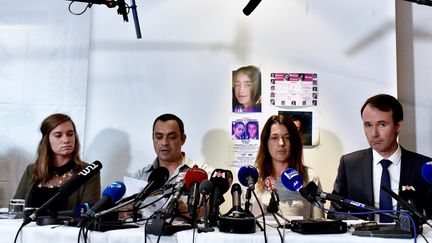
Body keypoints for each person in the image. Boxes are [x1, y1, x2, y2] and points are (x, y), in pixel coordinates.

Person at [330, 94, 432, 221]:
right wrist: (360, 224)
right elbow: (334, 212)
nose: (374, 134)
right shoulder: (349, 164)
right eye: (368, 125)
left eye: (382, 125)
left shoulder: (423, 166)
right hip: (363, 238)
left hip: (409, 238)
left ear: (398, 126)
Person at [14, 113, 101, 211]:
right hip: (29, 226)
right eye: (58, 135)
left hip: (68, 226)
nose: (66, 140)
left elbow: (90, 212)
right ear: (47, 140)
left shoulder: (88, 171)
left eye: (70, 134)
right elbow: (16, 208)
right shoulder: (32, 170)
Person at [132, 114, 212, 218]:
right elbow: (127, 209)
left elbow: (209, 209)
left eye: (172, 137)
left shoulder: (203, 172)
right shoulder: (141, 175)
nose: (164, 143)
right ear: (153, 139)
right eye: (159, 137)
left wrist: (187, 212)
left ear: (183, 139)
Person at [252, 115, 324, 219]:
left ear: (294, 142)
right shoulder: (252, 178)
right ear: (265, 142)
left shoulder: (310, 177)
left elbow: (319, 226)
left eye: (287, 137)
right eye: (274, 137)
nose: (281, 143)